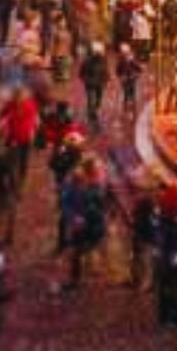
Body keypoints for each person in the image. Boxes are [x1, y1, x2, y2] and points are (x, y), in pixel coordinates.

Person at [59, 158, 108, 290]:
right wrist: (74, 217)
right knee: (76, 251)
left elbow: (102, 209)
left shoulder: (97, 186)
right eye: (97, 170)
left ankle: (85, 268)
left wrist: (92, 213)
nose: (100, 172)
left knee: (81, 250)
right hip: (81, 226)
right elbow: (65, 203)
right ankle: (75, 278)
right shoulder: (75, 182)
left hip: (92, 226)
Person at [152, 182, 177, 327]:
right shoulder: (174, 223)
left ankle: (166, 317)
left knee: (166, 291)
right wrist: (176, 265)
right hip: (172, 265)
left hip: (166, 263)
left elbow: (160, 243)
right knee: (173, 291)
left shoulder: (162, 220)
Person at [0, 88, 39, 191]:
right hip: (13, 136)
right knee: (10, 158)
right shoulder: (10, 104)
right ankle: (12, 180)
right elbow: (2, 114)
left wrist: (34, 130)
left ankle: (21, 178)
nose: (18, 100)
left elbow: (34, 118)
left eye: (20, 98)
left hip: (25, 136)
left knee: (24, 158)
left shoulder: (29, 105)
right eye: (16, 98)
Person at [79, 43, 110, 127]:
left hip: (100, 84)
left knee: (98, 101)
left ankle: (94, 111)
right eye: (97, 52)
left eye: (100, 52)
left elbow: (106, 71)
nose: (99, 53)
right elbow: (82, 73)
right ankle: (92, 116)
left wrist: (106, 79)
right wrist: (86, 80)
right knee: (91, 100)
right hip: (90, 84)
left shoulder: (103, 60)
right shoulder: (87, 61)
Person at [117, 45, 144, 121]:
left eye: (126, 52)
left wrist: (136, 75)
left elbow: (139, 69)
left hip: (132, 79)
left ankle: (132, 107)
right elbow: (118, 70)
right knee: (126, 93)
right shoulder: (121, 61)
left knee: (132, 93)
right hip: (125, 80)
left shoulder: (132, 60)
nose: (125, 54)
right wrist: (121, 76)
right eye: (124, 53)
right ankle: (126, 107)